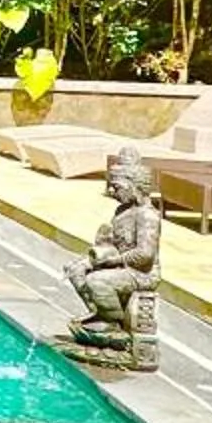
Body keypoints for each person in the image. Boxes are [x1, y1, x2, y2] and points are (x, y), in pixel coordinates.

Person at [68, 146, 163, 364]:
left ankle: (114, 326)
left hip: (141, 273)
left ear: (134, 186)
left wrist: (115, 260)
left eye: (117, 187)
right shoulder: (122, 211)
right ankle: (100, 313)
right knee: (77, 270)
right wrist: (103, 246)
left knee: (96, 281)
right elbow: (117, 241)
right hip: (121, 265)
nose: (112, 191)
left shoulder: (147, 216)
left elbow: (145, 254)